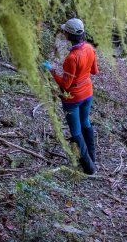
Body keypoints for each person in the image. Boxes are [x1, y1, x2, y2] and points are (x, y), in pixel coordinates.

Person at [43, 18, 98, 175]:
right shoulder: (89, 48)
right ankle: (92, 159)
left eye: (65, 31)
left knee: (75, 132)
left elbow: (66, 85)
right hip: (88, 92)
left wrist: (51, 71)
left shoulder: (71, 58)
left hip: (72, 98)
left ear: (68, 34)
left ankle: (89, 168)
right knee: (85, 122)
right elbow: (94, 71)